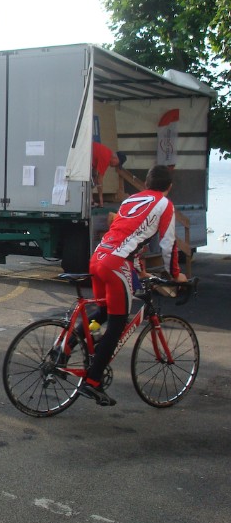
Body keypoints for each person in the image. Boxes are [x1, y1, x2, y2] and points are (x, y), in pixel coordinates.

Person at [80, 164, 187, 406]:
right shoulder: (164, 204)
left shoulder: (130, 200)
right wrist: (175, 275)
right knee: (118, 324)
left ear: (146, 183)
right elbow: (168, 243)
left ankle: (64, 350)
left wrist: (140, 271)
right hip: (116, 263)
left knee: (103, 312)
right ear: (169, 186)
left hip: (98, 258)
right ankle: (93, 381)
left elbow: (128, 235)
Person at [91, 141, 126, 207]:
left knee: (92, 179)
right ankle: (91, 200)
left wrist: (94, 177)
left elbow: (95, 171)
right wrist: (101, 200)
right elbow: (100, 181)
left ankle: (91, 200)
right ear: (116, 158)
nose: (115, 166)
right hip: (83, 153)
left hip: (85, 152)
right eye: (117, 164)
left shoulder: (107, 153)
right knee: (91, 180)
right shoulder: (106, 158)